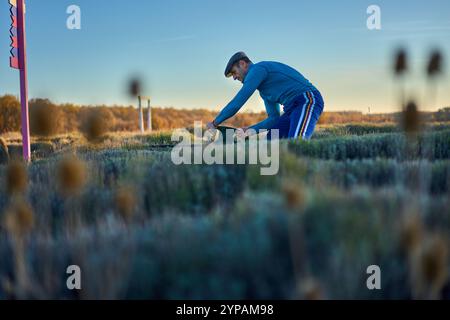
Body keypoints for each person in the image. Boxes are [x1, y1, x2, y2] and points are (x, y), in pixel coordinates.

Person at [207, 52, 324, 140]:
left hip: (306, 100)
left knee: (297, 142)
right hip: (290, 109)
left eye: (234, 72)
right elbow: (273, 118)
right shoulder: (264, 91)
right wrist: (249, 130)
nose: (234, 77)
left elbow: (237, 103)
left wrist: (215, 123)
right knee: (270, 143)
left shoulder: (258, 69)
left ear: (243, 64)